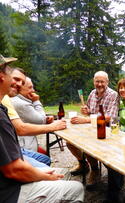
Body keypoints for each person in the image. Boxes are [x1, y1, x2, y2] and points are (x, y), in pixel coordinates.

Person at [0, 55, 84, 202]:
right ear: (2, 77)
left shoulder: (5, 105)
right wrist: (44, 176)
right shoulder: (11, 108)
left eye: (22, 82)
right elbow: (14, 170)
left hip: (11, 176)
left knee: (59, 171)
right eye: (12, 77)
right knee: (76, 188)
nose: (17, 83)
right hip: (10, 191)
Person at [68, 71, 119, 188]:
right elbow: (89, 112)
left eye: (102, 81)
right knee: (70, 142)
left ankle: (95, 170)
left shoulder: (113, 95)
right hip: (91, 129)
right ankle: (83, 164)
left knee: (88, 145)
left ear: (107, 82)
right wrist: (86, 111)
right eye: (97, 81)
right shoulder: (92, 93)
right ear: (93, 81)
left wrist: (85, 120)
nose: (100, 84)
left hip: (106, 131)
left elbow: (108, 117)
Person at [11, 76, 53, 152]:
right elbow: (41, 121)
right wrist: (36, 101)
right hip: (23, 147)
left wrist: (45, 118)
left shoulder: (15, 99)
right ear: (19, 89)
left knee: (44, 153)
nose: (33, 90)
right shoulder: (21, 104)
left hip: (17, 143)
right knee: (45, 158)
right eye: (30, 88)